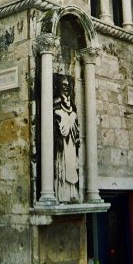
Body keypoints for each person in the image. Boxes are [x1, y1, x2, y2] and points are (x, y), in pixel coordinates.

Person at [53, 74, 80, 203]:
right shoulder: (56, 102)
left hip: (72, 144)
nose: (66, 88)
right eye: (63, 85)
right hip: (62, 144)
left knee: (72, 165)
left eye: (68, 85)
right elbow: (56, 122)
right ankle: (62, 195)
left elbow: (75, 124)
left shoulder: (72, 105)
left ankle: (72, 194)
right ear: (58, 87)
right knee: (62, 167)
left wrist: (72, 117)